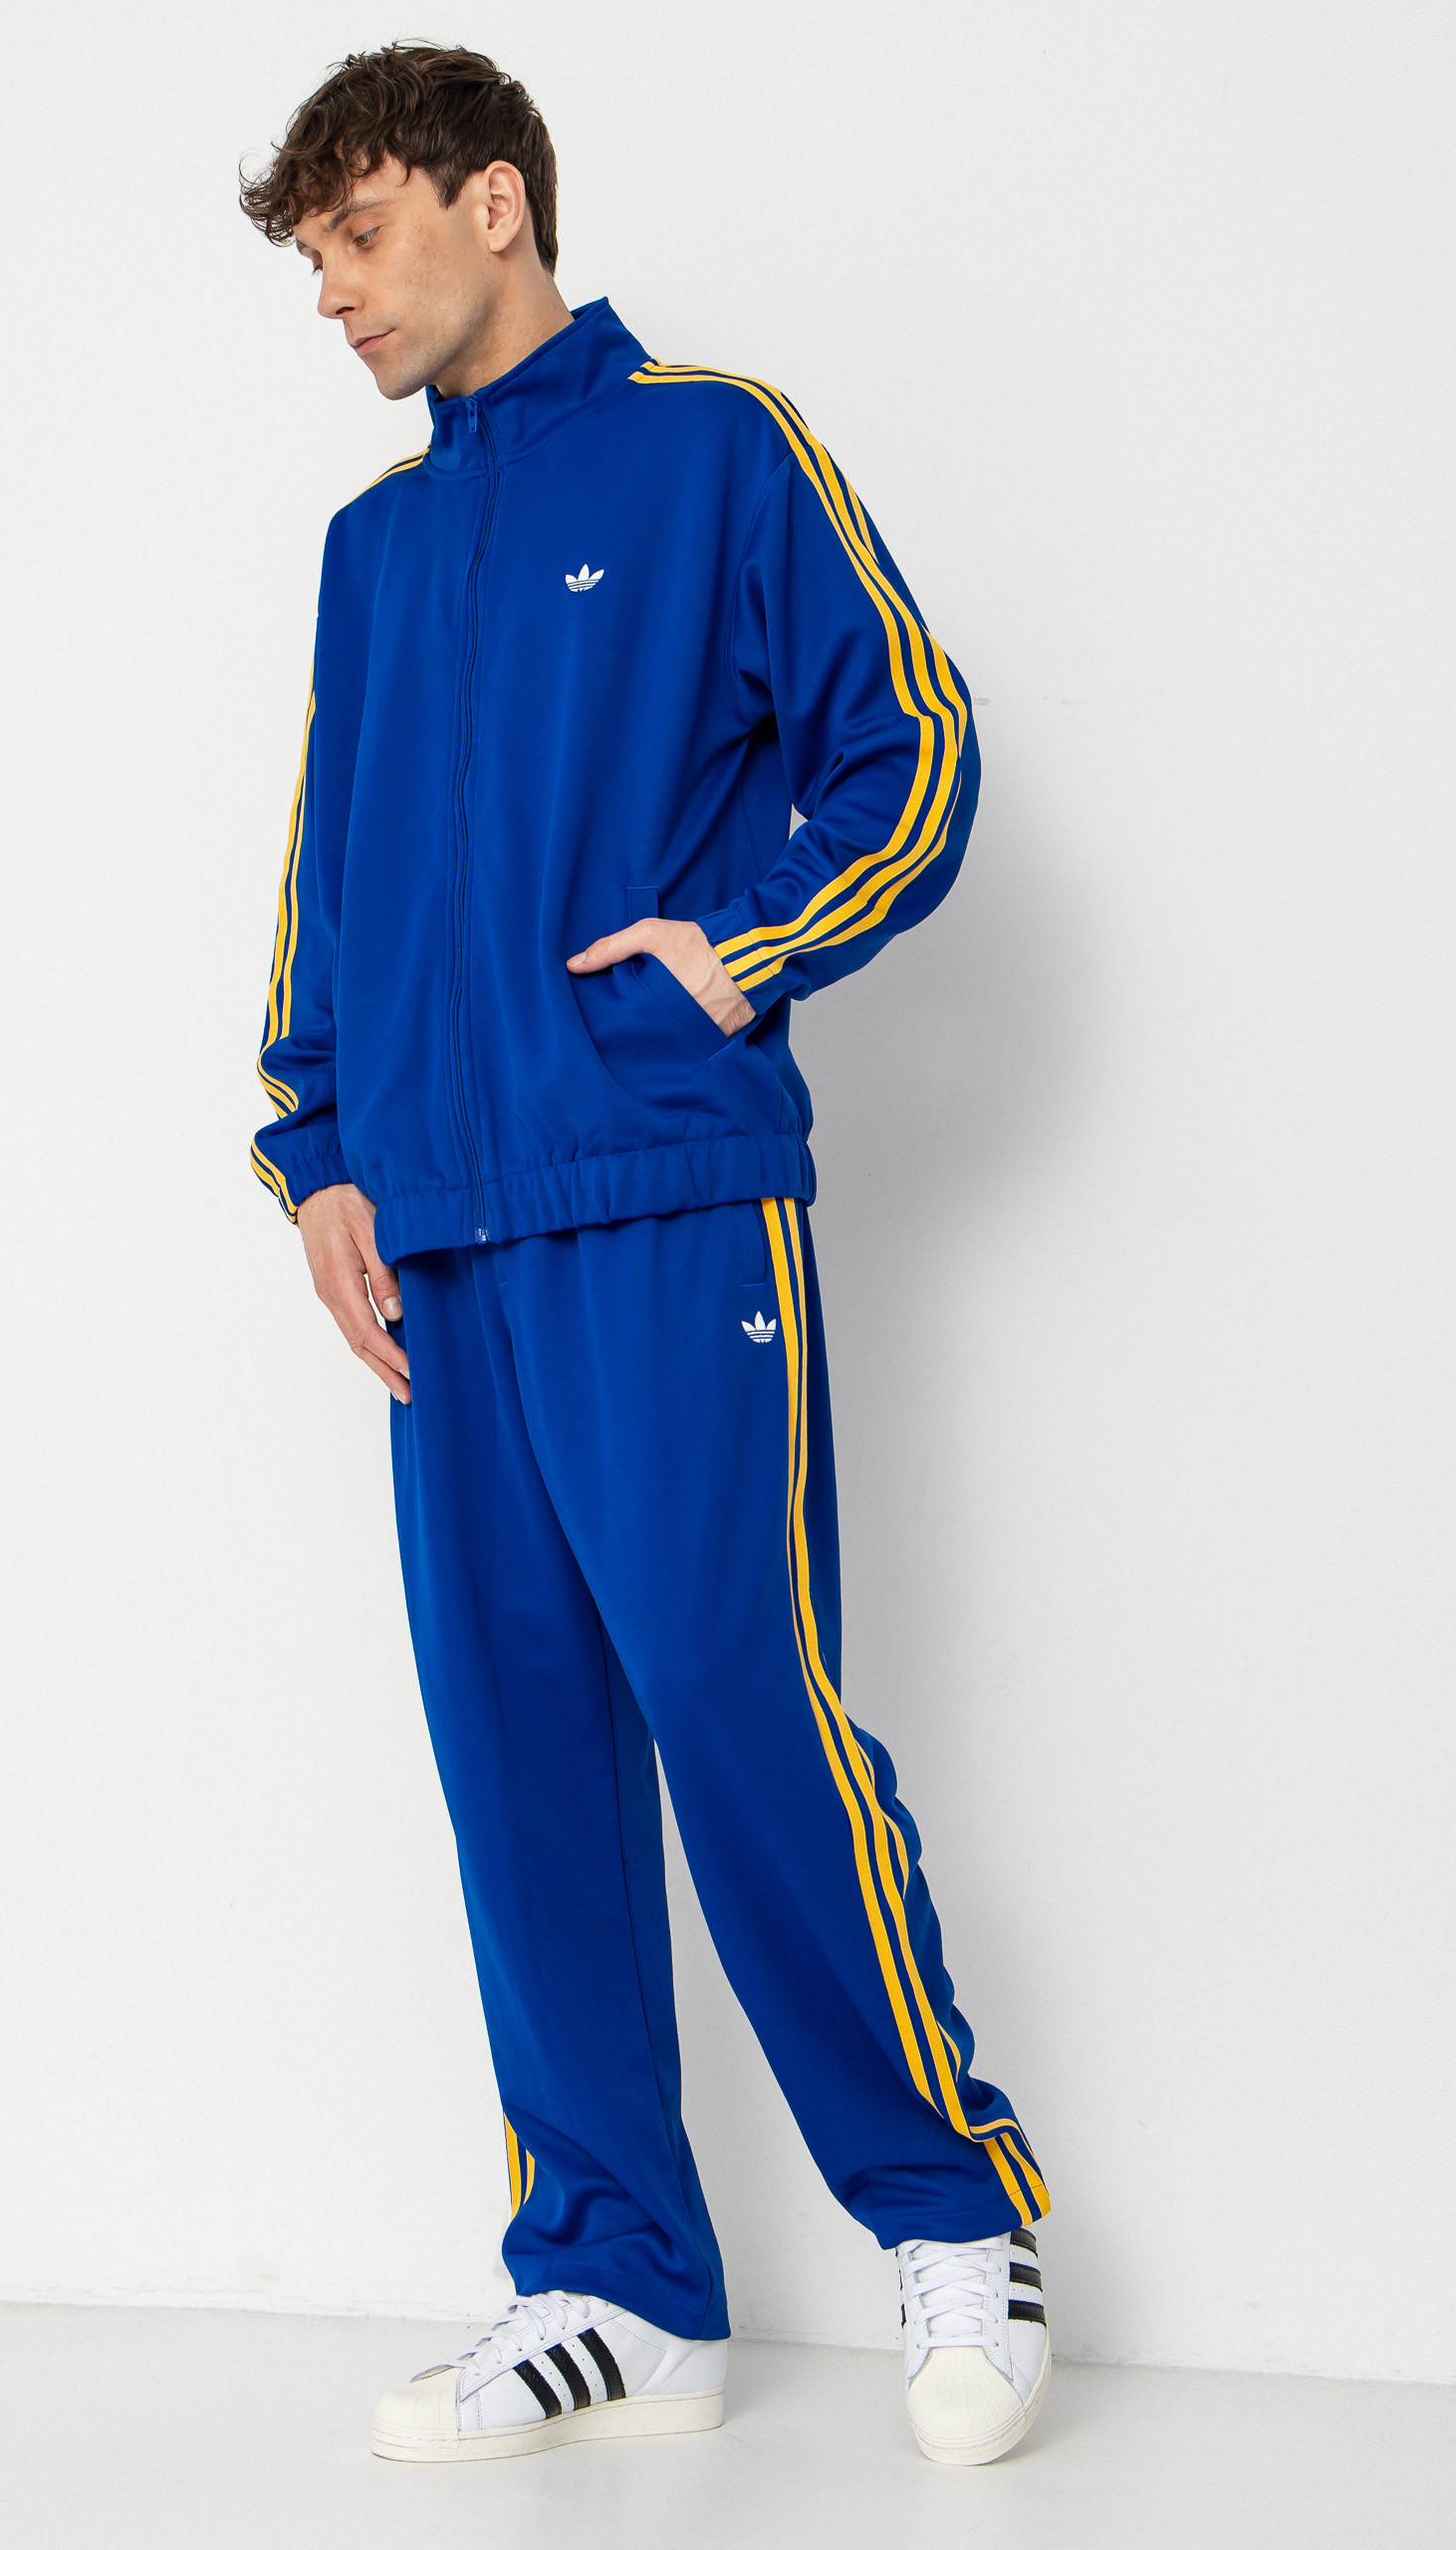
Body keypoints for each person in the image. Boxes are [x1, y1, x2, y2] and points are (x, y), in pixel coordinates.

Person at [238, 43, 1050, 2470]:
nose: (334, 292)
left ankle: (954, 2208)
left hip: (670, 1195)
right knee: (519, 1755)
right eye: (310, 259)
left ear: (493, 201)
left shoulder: (714, 450)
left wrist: (747, 940)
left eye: (359, 234)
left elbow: (914, 744)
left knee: (736, 1698)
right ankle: (612, 2275)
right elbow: (330, 875)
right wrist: (322, 1151)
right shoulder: (375, 549)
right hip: (444, 1241)